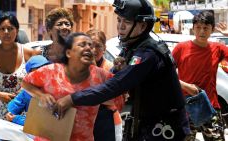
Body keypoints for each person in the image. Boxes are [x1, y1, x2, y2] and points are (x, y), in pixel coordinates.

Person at [50, 0, 190, 141]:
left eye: (127, 22)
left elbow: (114, 86)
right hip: (148, 123)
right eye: (119, 20)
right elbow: (110, 78)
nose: (120, 27)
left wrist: (72, 99)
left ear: (142, 26)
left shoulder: (147, 54)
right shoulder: (133, 47)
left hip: (164, 128)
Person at [22, 32, 123, 141]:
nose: (89, 48)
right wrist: (41, 95)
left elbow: (119, 101)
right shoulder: (51, 71)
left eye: (91, 45)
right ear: (68, 52)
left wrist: (95, 98)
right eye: (82, 45)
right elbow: (25, 83)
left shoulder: (102, 76)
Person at [172, 10, 228, 141]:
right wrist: (185, 86)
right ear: (193, 28)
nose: (202, 31)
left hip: (210, 107)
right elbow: (165, 74)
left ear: (212, 29)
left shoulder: (218, 48)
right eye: (198, 27)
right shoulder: (181, 48)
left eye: (206, 28)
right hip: (186, 107)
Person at [0, 13, 38, 119]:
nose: (6, 32)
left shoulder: (29, 54)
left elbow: (38, 82)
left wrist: (24, 91)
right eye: (2, 29)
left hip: (21, 115)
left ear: (17, 30)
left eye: (10, 28)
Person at [86, 29, 124, 141]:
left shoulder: (110, 68)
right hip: (84, 123)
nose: (94, 50)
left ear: (104, 48)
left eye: (98, 46)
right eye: (90, 45)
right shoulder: (79, 68)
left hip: (108, 123)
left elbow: (117, 101)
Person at [5, 55, 50, 126]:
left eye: (45, 68)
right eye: (38, 70)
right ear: (29, 75)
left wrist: (17, 119)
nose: (43, 72)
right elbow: (11, 112)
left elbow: (43, 122)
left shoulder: (54, 90)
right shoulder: (26, 92)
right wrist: (11, 115)